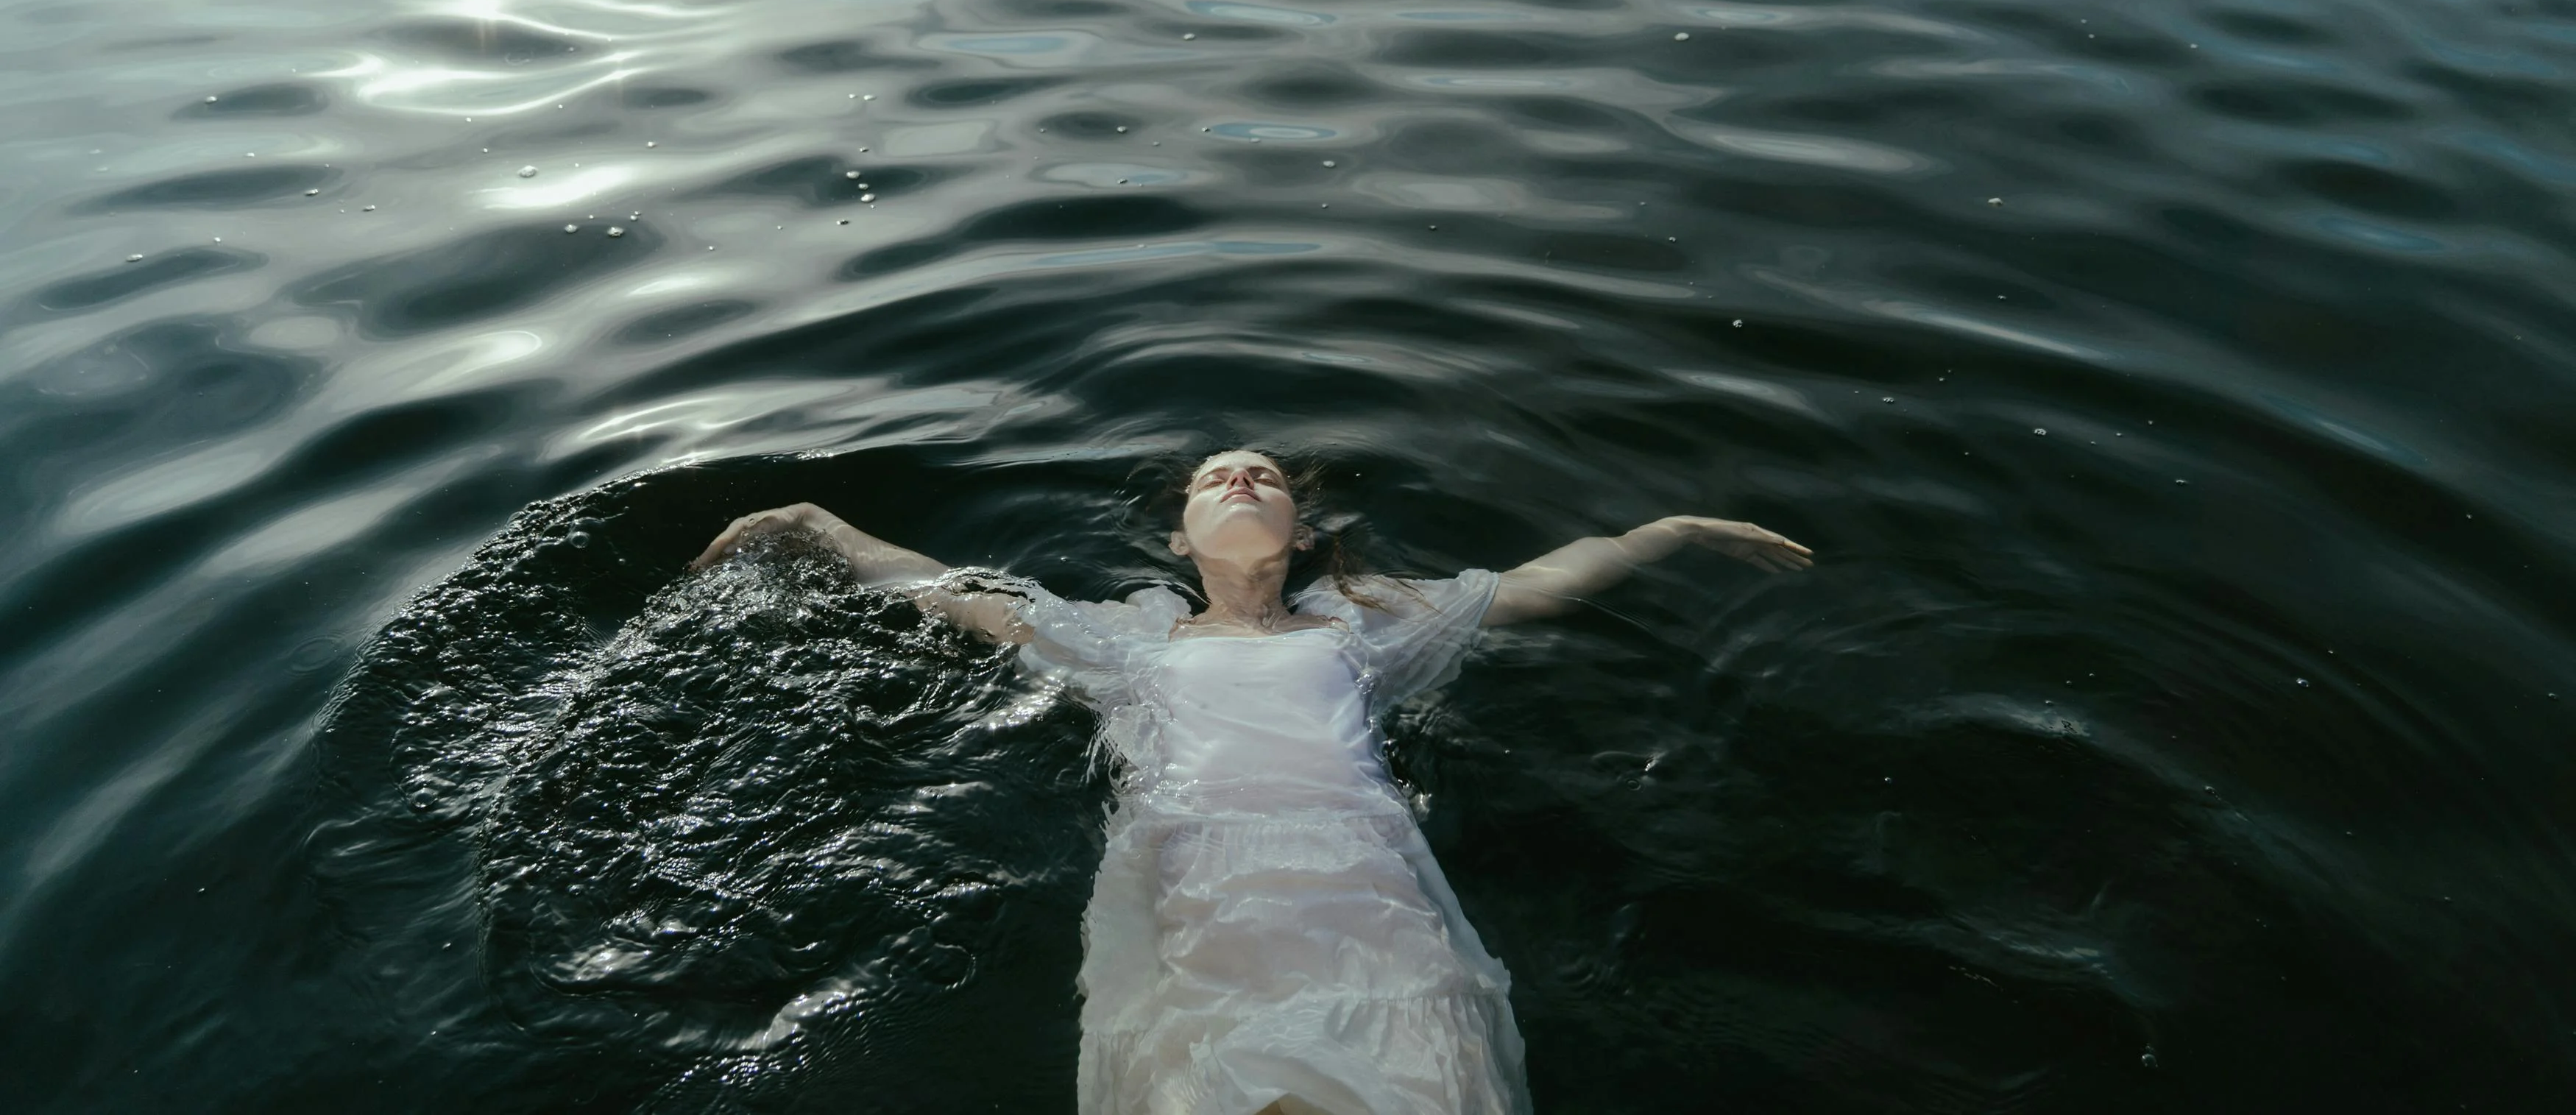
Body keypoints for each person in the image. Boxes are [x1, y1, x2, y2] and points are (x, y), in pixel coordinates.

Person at [690, 449, 1812, 1115]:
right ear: (1181, 540)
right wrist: (818, 525)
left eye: (1263, 475)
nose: (1240, 477)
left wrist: (1666, 529)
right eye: (1216, 477)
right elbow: (960, 592)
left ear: (1301, 529)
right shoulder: (1128, 642)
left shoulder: (1363, 628)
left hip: (1369, 895)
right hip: (1199, 890)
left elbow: (1527, 589)